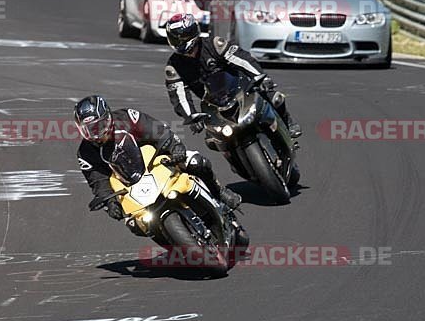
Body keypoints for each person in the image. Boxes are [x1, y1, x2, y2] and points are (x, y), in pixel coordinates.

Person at [74, 95, 242, 222]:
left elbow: (157, 130)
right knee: (133, 224)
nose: (96, 134)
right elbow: (98, 180)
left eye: (99, 126)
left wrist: (175, 147)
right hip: (128, 183)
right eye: (89, 130)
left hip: (157, 159)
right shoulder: (85, 152)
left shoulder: (127, 118)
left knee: (197, 162)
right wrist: (110, 202)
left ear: (108, 117)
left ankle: (218, 192)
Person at [163, 13, 302, 138]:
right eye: (176, 39)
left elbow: (242, 59)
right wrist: (191, 116)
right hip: (213, 105)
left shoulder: (214, 44)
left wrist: (261, 77)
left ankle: (287, 122)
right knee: (211, 139)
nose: (181, 42)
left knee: (275, 98)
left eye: (184, 37)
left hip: (242, 88)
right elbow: (178, 95)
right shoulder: (174, 66)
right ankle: (236, 164)